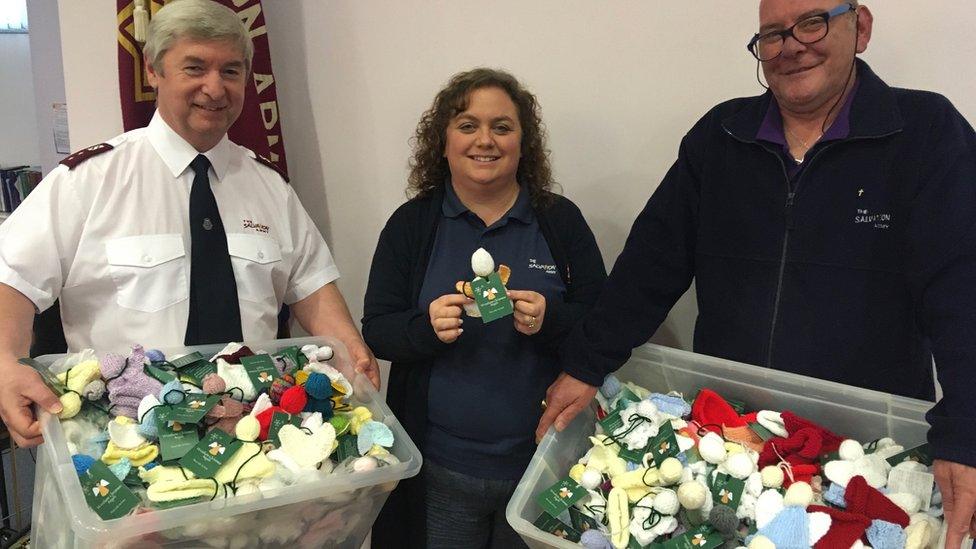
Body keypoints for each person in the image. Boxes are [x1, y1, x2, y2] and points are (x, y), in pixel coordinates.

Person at [537, 1, 976, 546]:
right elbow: (649, 264)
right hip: (728, 438)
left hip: (864, 454)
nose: (791, 45)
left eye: (812, 22)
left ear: (859, 27)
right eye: (772, 34)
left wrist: (967, 429)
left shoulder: (926, 133)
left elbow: (963, 289)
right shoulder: (721, 137)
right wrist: (585, 361)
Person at [0, 0, 379, 449]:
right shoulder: (90, 179)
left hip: (252, 443)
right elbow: (12, 279)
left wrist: (351, 349)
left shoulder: (271, 187)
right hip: (122, 446)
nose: (214, 89)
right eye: (195, 68)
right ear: (153, 71)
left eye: (231, 71)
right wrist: (6, 362)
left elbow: (312, 290)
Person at [363, 68, 606, 548]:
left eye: (502, 126)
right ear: (444, 140)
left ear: (523, 141)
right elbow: (379, 329)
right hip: (439, 472)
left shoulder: (560, 220)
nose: (485, 140)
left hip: (542, 470)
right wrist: (426, 326)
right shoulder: (412, 224)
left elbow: (604, 323)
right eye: (468, 125)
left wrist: (551, 319)